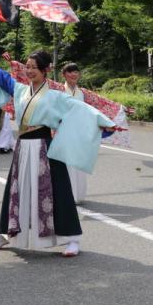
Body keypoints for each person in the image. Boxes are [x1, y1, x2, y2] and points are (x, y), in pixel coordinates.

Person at [0, 50, 116, 257]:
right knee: (15, 191)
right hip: (23, 147)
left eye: (34, 67)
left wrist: (106, 123)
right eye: (27, 66)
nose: (29, 70)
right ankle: (4, 232)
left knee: (58, 191)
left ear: (45, 70)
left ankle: (71, 238)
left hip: (45, 146)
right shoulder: (20, 90)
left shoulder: (55, 96)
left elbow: (81, 110)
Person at [60, 62, 89, 203]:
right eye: (70, 72)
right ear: (64, 75)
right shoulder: (59, 90)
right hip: (64, 132)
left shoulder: (82, 92)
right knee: (67, 165)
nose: (73, 74)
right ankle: (67, 194)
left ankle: (78, 195)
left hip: (80, 132)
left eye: (76, 72)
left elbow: (100, 105)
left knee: (79, 164)